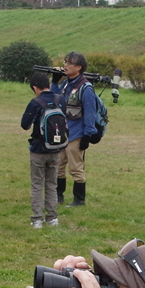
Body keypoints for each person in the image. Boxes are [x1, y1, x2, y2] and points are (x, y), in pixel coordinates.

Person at [55, 51, 105, 207]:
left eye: (69, 63)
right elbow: (55, 99)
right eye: (65, 62)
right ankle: (58, 195)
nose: (65, 65)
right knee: (58, 165)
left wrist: (87, 136)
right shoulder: (66, 83)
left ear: (78, 67)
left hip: (77, 134)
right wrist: (54, 82)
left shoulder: (86, 88)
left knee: (75, 167)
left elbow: (90, 112)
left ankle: (79, 199)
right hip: (63, 132)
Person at [22, 72, 62, 229]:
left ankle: (37, 219)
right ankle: (52, 218)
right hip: (56, 148)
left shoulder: (35, 103)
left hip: (39, 149)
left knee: (37, 184)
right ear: (49, 85)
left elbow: (24, 124)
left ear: (35, 88)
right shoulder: (60, 99)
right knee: (52, 184)